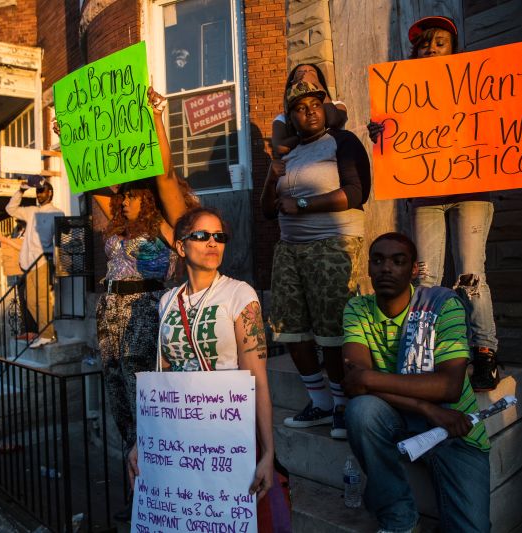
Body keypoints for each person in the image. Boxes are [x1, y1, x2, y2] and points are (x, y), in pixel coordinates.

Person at [368, 15, 522, 391]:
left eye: (440, 42)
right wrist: (382, 131)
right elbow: (396, 143)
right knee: (426, 277)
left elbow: (518, 108)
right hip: (425, 195)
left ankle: (484, 352)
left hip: (471, 191)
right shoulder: (404, 96)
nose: (431, 49)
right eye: (424, 44)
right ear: (414, 53)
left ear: (454, 48)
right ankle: (425, 353)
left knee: (470, 276)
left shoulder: (477, 84)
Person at [128, 207, 283, 529]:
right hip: (180, 433)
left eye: (219, 236)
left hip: (229, 430)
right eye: (201, 235)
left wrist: (268, 452)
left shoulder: (239, 294)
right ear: (181, 246)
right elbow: (164, 379)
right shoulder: (167, 301)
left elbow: (259, 380)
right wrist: (144, 441)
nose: (212, 243)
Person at [85, 87, 196, 519]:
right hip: (109, 315)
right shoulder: (117, 222)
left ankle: (155, 500)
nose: (123, 198)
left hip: (145, 315)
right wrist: (75, 138)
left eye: (132, 193)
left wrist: (154, 114)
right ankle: (138, 500)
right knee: (120, 406)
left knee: (145, 405)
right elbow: (91, 173)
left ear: (146, 194)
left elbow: (165, 172)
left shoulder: (170, 221)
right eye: (123, 194)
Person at [342, 232, 490, 532]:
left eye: (398, 261)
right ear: (369, 267)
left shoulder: (442, 305)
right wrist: (425, 407)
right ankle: (398, 517)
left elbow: (448, 386)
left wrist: (369, 377)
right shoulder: (357, 309)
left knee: (471, 528)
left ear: (413, 270)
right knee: (360, 411)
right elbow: (355, 387)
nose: (386, 268)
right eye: (379, 260)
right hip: (402, 415)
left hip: (452, 421)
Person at [261, 80, 371, 439]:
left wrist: (304, 204)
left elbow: (357, 192)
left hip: (333, 245)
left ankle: (343, 404)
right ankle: (320, 402)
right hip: (290, 249)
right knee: (289, 327)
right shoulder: (286, 154)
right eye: (299, 107)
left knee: (333, 328)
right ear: (290, 117)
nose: (309, 111)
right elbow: (267, 210)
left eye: (315, 104)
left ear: (326, 109)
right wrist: (269, 177)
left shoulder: (342, 141)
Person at [6, 176, 65, 348]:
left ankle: (47, 334)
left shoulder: (57, 212)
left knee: (41, 299)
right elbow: (10, 209)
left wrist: (57, 264)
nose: (39, 194)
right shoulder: (31, 211)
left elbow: (60, 239)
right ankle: (45, 332)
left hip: (42, 261)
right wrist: (21, 190)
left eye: (42, 191)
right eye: (37, 191)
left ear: (50, 193)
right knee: (30, 301)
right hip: (27, 263)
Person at [271, 63, 348, 157]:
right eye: (301, 72)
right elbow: (280, 147)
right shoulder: (282, 118)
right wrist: (306, 136)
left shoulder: (337, 105)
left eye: (311, 72)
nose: (306, 74)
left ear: (320, 80)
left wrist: (316, 84)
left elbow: (334, 122)